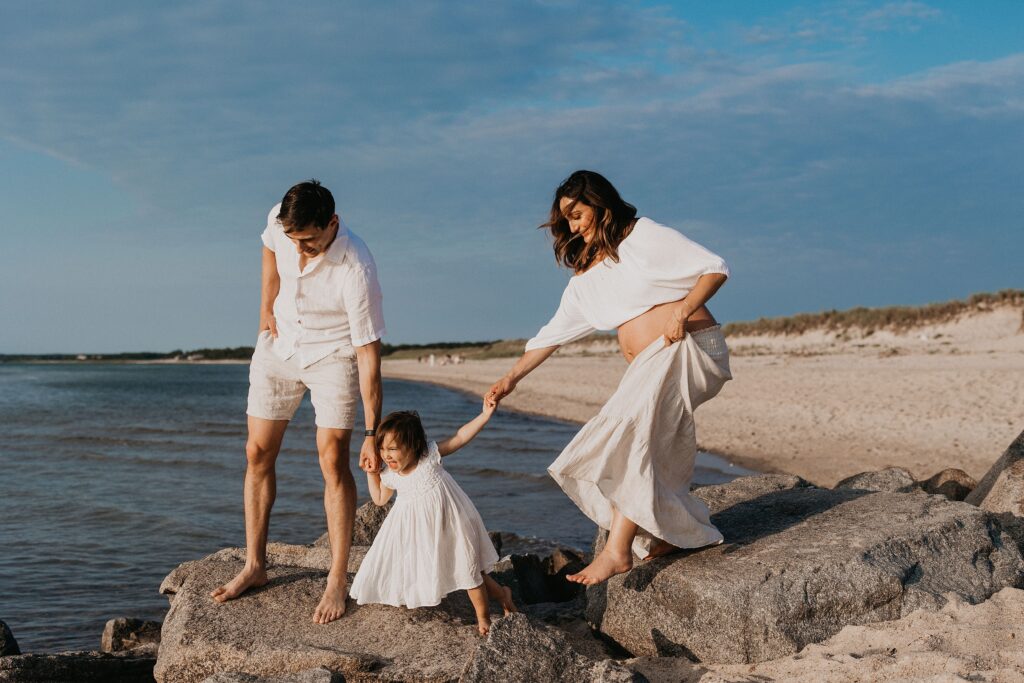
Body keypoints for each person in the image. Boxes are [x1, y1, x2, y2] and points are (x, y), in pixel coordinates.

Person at [487, 170, 732, 586]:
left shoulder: (642, 237)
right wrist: (510, 379)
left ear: (601, 205)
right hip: (651, 364)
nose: (573, 226)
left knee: (627, 435)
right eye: (567, 220)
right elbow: (551, 337)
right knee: (649, 447)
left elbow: (714, 268)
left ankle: (617, 553)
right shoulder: (584, 280)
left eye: (579, 214)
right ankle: (672, 531)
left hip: (689, 348)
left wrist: (682, 310)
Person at [211, 180, 387, 624]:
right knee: (256, 452)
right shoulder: (281, 220)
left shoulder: (356, 267)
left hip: (334, 354)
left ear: (332, 223)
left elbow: (369, 356)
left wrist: (372, 433)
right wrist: (265, 308)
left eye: (310, 240)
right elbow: (270, 248)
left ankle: (335, 578)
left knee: (332, 461)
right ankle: (255, 565)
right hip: (280, 345)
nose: (302, 249)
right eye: (296, 240)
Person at [349, 408, 516, 635]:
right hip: (425, 534)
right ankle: (503, 595)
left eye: (393, 449)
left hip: (454, 522)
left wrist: (485, 415)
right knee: (470, 570)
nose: (386, 455)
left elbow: (460, 437)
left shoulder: (428, 457)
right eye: (382, 448)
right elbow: (379, 499)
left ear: (415, 445)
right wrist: (372, 473)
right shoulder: (390, 475)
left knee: (469, 571)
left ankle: (483, 618)